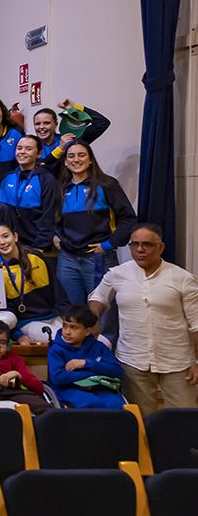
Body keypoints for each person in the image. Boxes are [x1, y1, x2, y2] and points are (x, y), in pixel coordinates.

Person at [89, 224, 198, 410]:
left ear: (160, 247)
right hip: (132, 360)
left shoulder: (183, 278)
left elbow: (196, 324)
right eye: (135, 244)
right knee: (140, 419)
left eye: (147, 244)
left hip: (178, 362)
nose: (140, 249)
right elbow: (98, 298)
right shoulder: (117, 274)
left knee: (183, 419)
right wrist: (93, 319)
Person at [55, 140, 136, 306]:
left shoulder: (107, 185)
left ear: (90, 159)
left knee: (103, 312)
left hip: (98, 258)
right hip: (67, 260)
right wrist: (54, 236)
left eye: (81, 155)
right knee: (75, 311)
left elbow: (128, 218)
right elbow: (52, 219)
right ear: (65, 162)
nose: (76, 160)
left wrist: (109, 244)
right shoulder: (60, 188)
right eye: (71, 156)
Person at [0, 224, 62, 344]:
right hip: (27, 323)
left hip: (54, 316)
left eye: (5, 236)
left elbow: (58, 292)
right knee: (61, 338)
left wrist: (67, 318)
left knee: (80, 337)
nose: (2, 242)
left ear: (15, 237)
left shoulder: (36, 257)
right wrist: (18, 335)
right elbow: (4, 312)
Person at [48, 305, 126, 409]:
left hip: (100, 387)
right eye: (64, 326)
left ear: (87, 331)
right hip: (69, 389)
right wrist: (92, 374)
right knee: (93, 404)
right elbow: (58, 378)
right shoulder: (56, 350)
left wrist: (86, 363)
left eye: (73, 327)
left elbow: (117, 371)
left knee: (116, 404)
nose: (67, 332)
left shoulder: (99, 347)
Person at [0, 135, 59, 251]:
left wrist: (40, 246)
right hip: (10, 246)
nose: (22, 152)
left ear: (39, 154)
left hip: (36, 246)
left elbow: (49, 217)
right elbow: (1, 213)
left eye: (28, 149)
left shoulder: (46, 179)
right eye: (19, 148)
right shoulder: (7, 177)